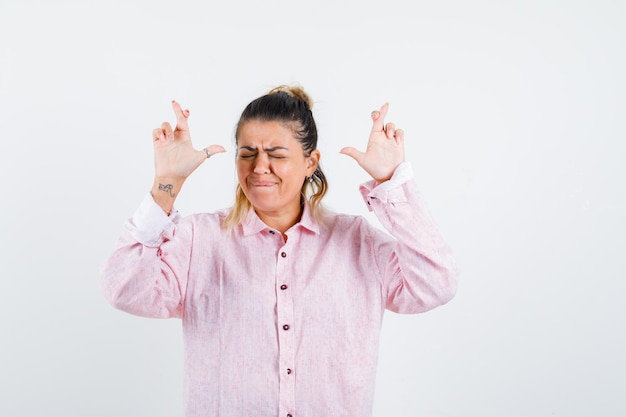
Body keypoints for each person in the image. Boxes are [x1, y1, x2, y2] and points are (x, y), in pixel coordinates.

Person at [101, 85, 458, 417]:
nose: (259, 167)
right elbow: (123, 288)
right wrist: (168, 183)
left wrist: (392, 181)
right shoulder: (199, 239)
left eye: (276, 154)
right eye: (248, 153)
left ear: (310, 162)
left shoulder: (357, 242)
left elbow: (436, 283)